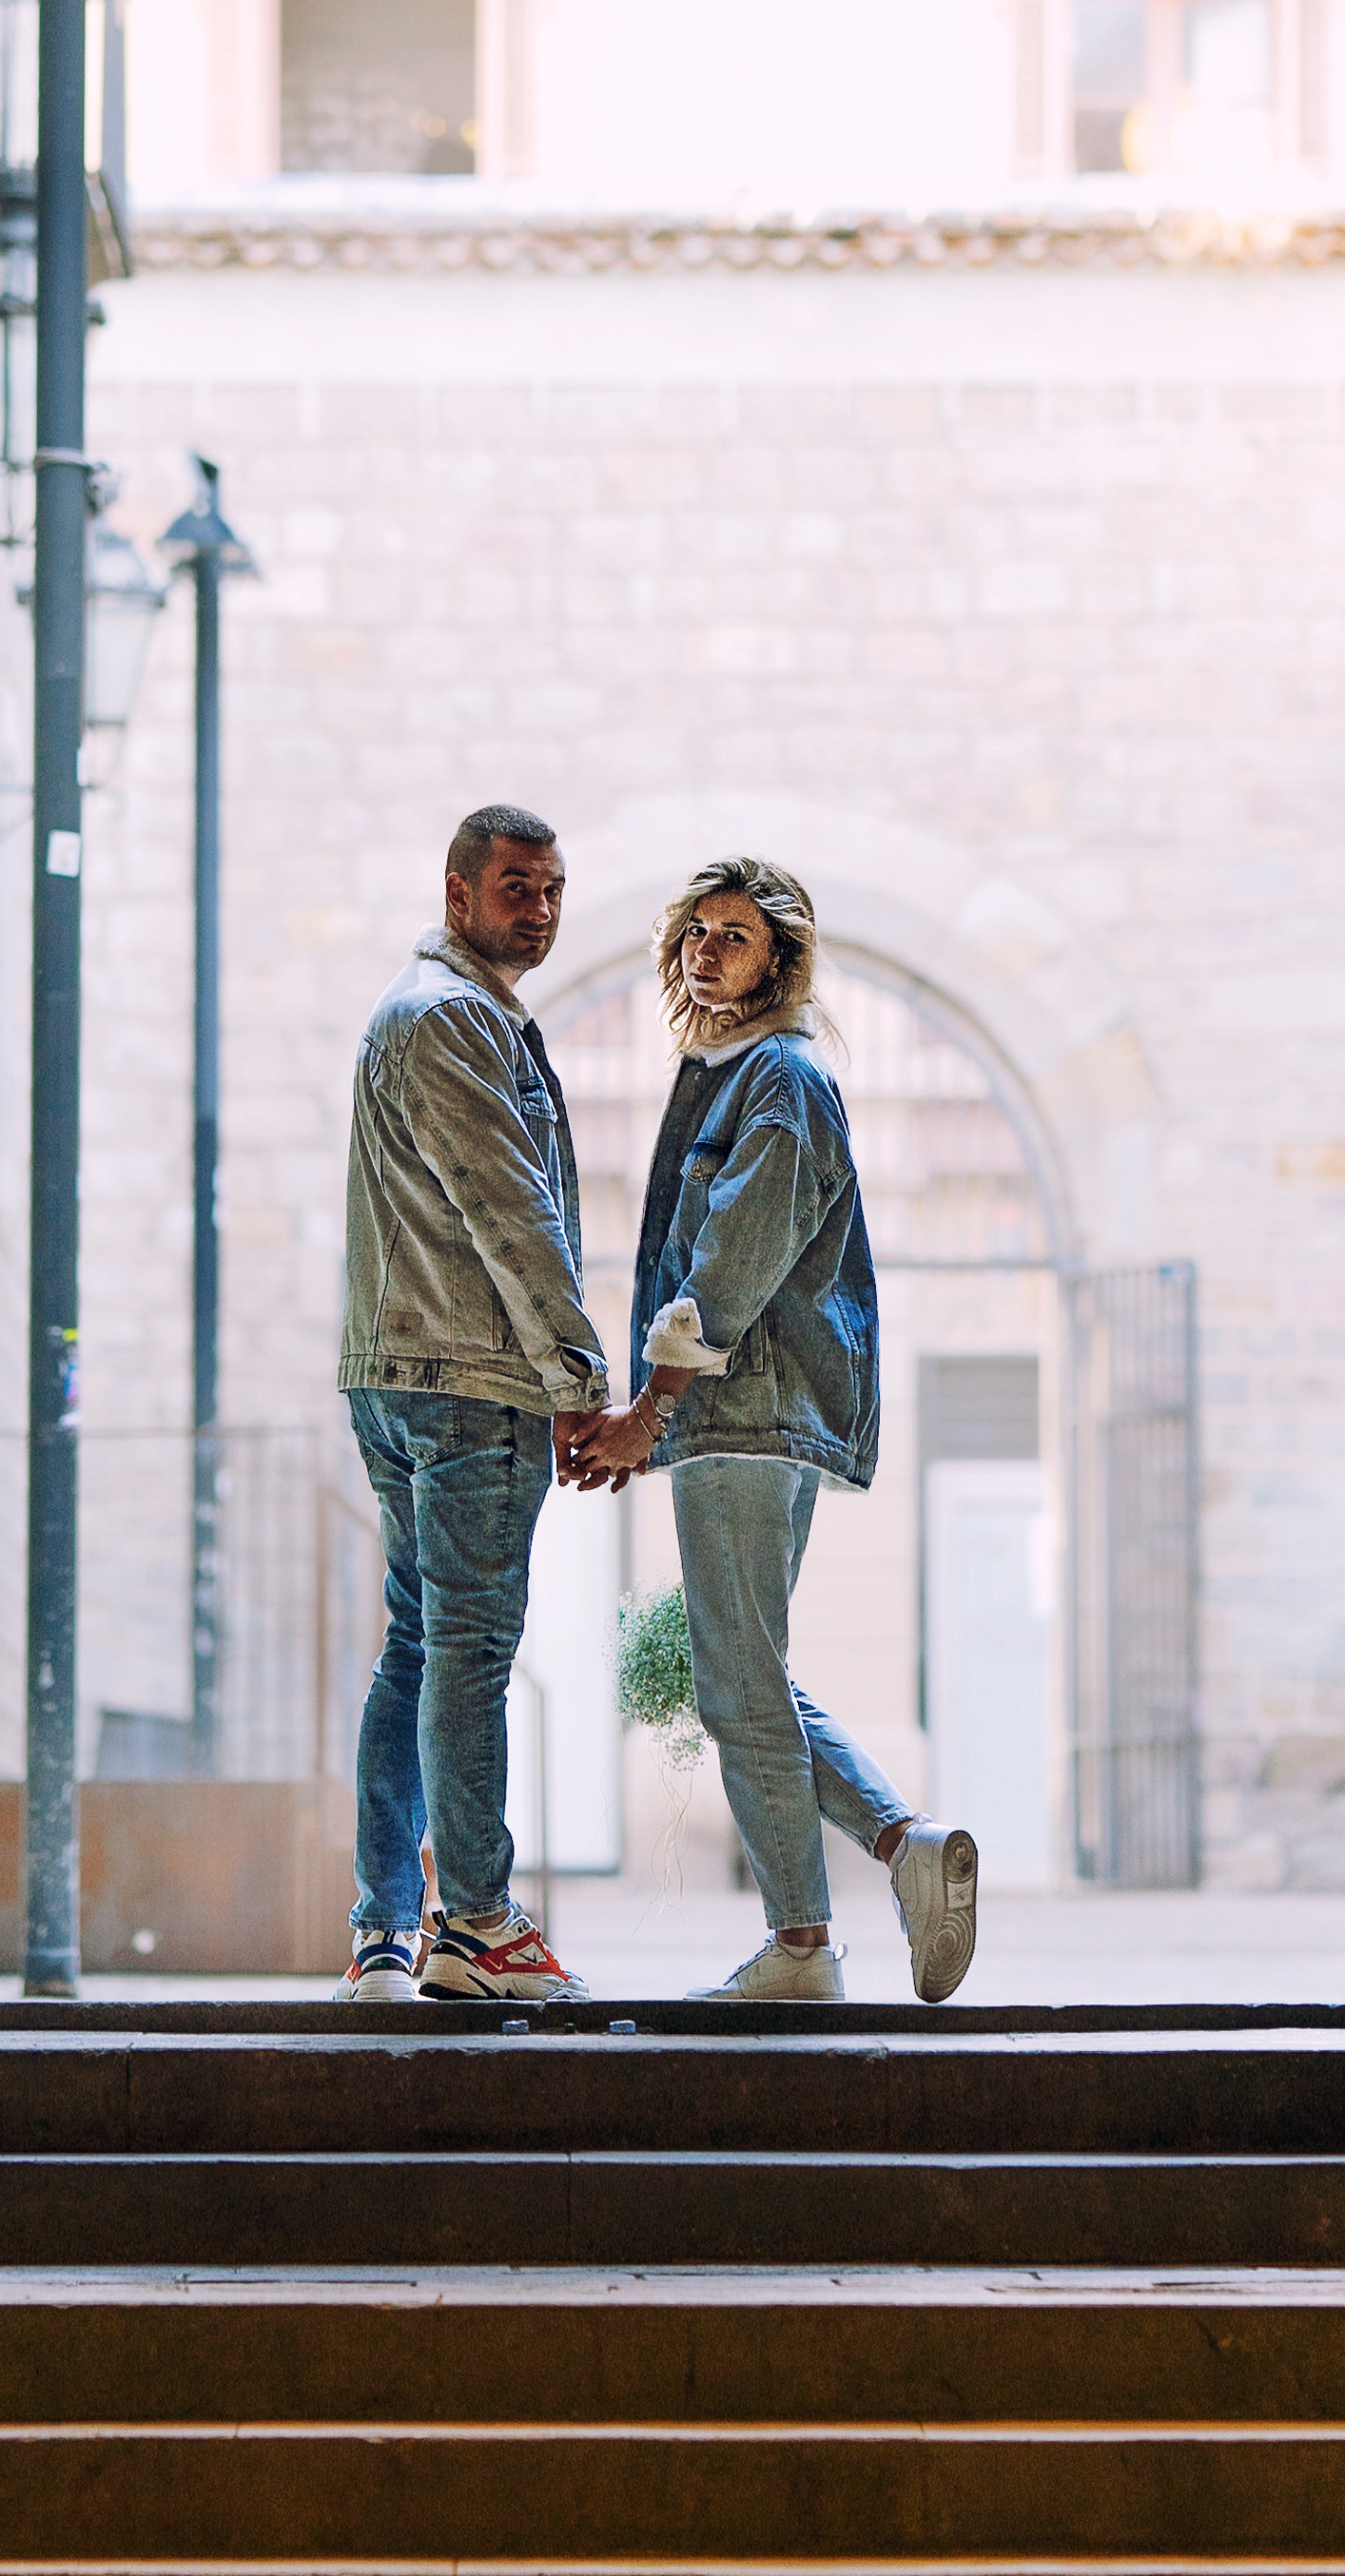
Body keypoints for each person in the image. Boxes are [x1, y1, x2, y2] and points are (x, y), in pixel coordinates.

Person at [560, 857, 980, 2005]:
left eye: (736, 936)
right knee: (739, 1672)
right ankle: (903, 1853)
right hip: (741, 1414)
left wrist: (651, 1408)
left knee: (736, 1685)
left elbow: (729, 1264)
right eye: (697, 932)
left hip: (743, 1411)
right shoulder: (727, 1076)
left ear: (782, 962)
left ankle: (804, 1947)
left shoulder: (782, 1081)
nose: (707, 950)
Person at [337, 804, 609, 2007]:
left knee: (418, 1644)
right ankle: (479, 1926)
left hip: (399, 1376)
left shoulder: (431, 1010)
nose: (537, 908)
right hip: (466, 1386)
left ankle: (386, 1932)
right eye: (514, 886)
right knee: (468, 1652)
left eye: (550, 888)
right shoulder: (448, 1018)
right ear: (458, 893)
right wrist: (580, 1379)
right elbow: (509, 1212)